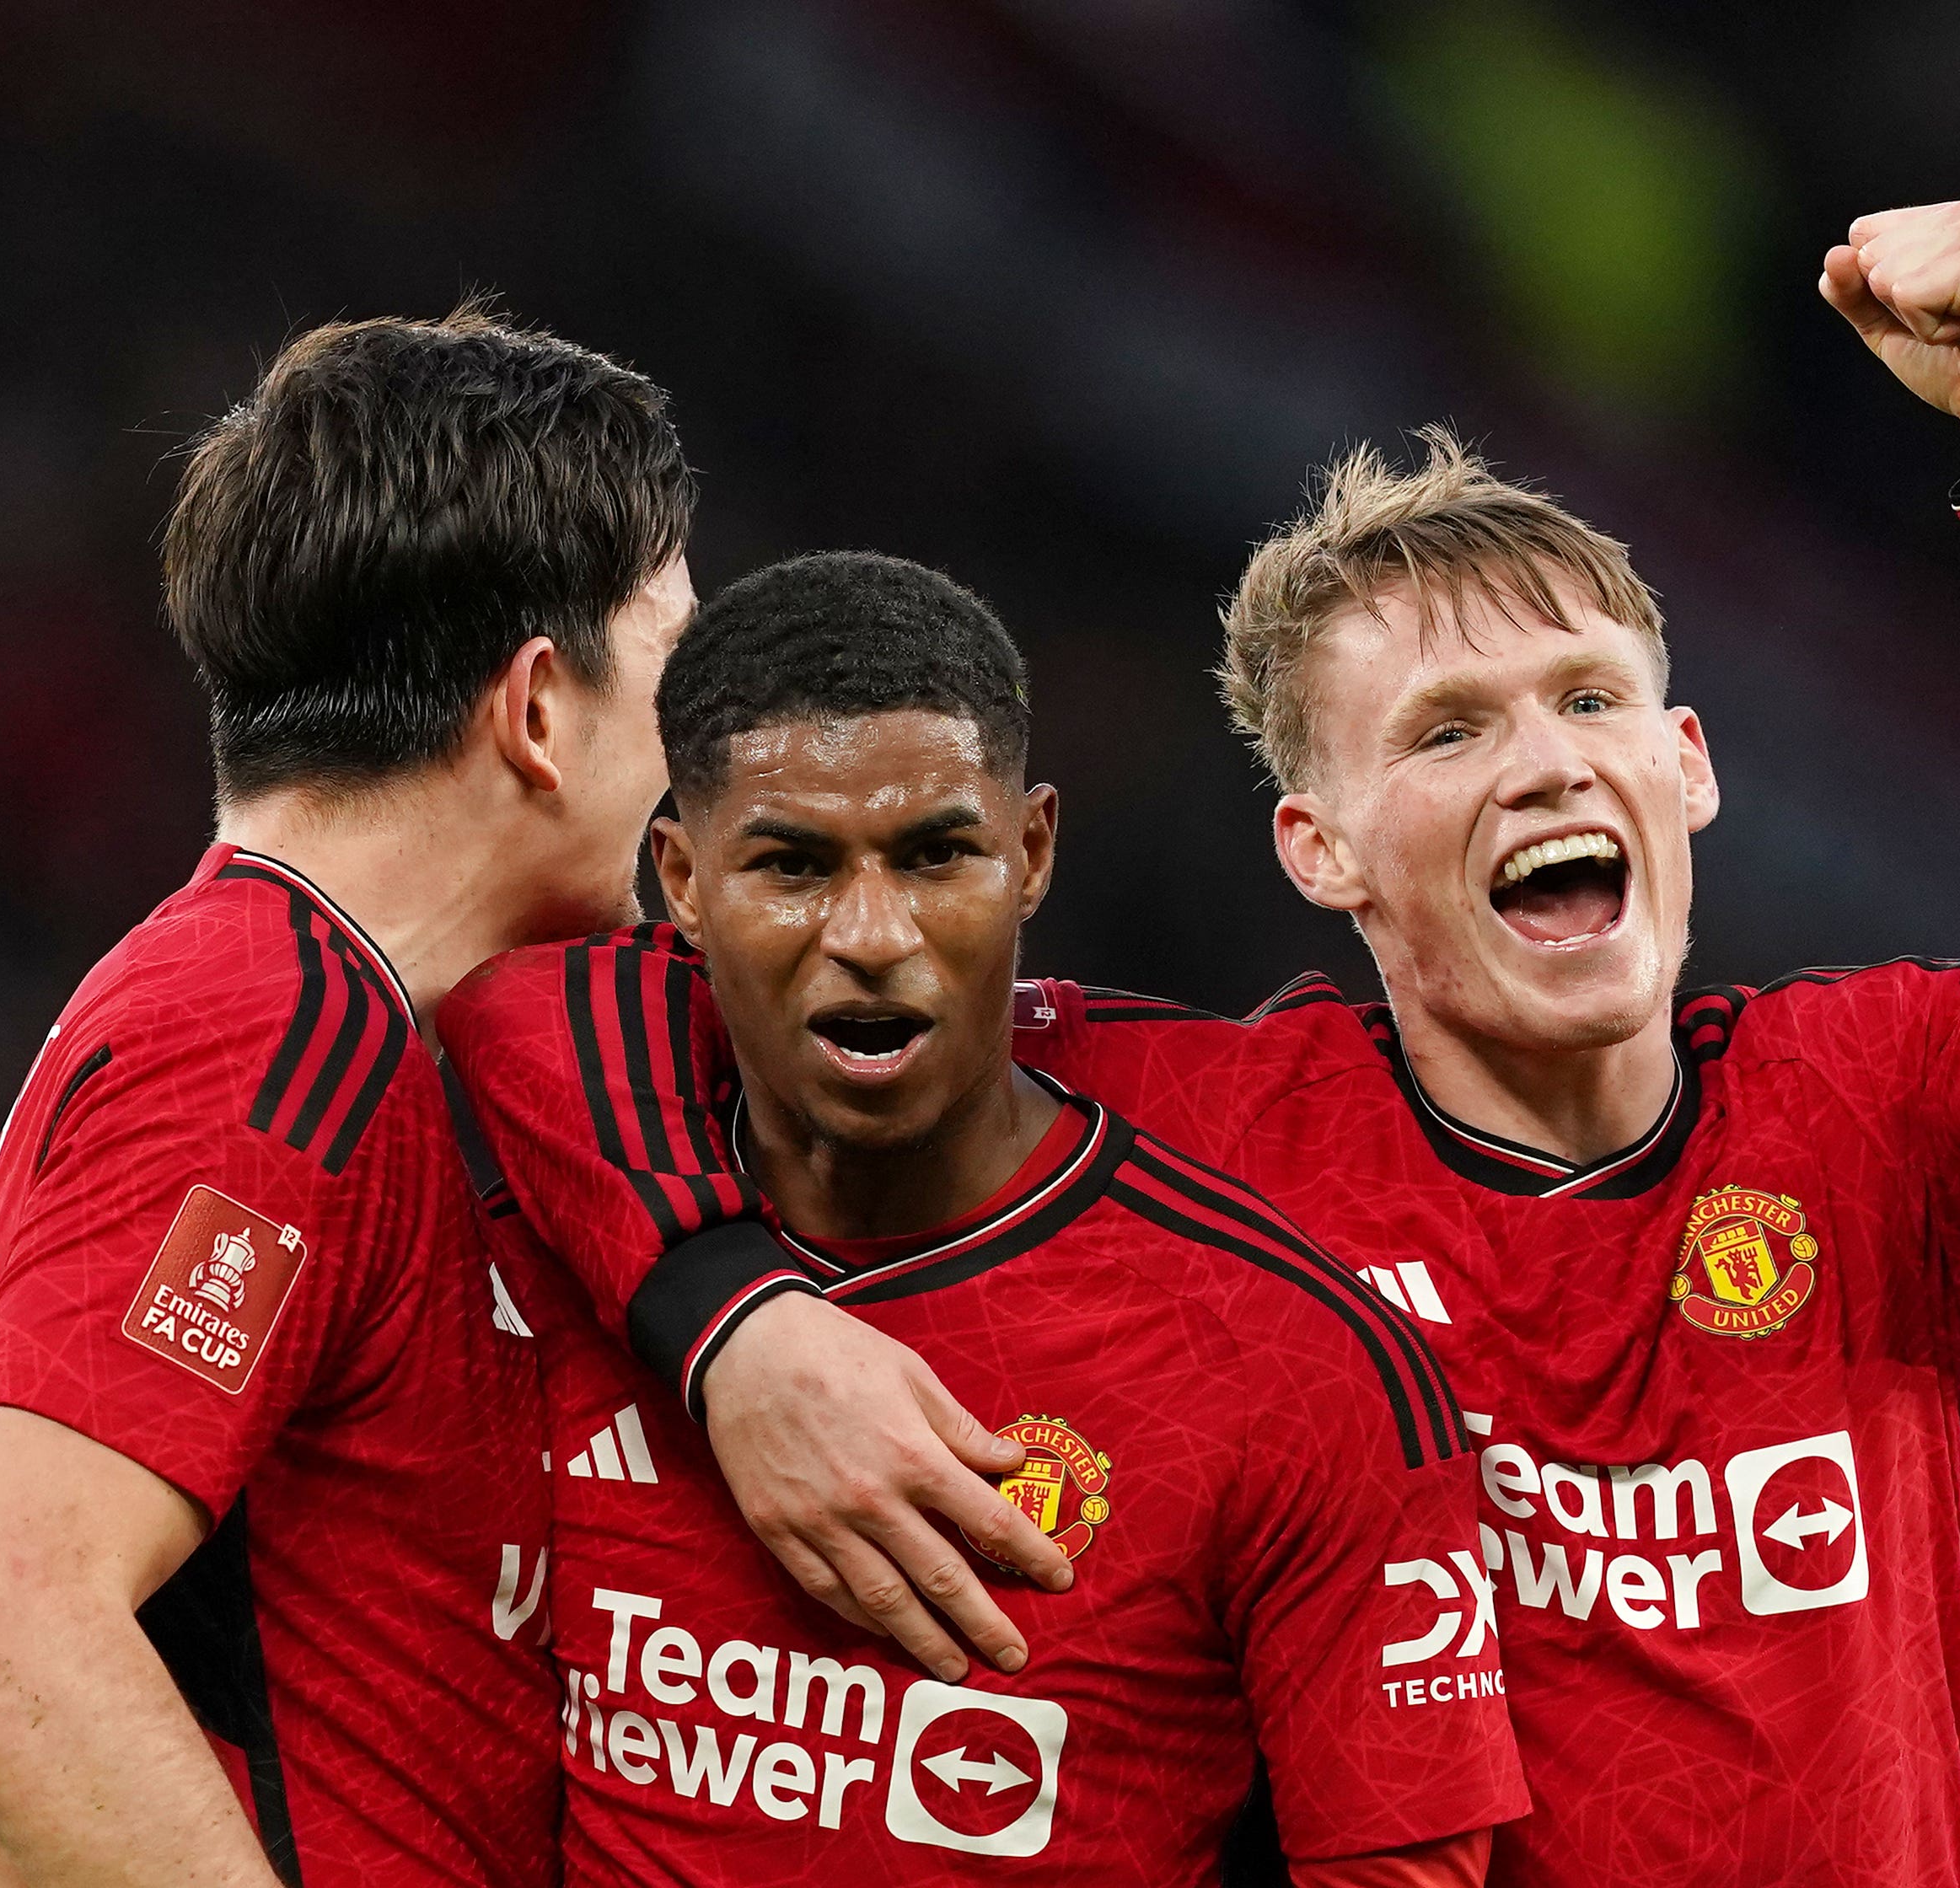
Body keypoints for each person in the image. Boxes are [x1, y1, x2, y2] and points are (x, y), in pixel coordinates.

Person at [562, 198, 1960, 1885]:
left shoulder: (1886, 1115)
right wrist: (727, 1317)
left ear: (1688, 765)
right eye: (1447, 730)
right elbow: (632, 1008)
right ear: (1319, 849)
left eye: (1588, 700)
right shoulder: (1180, 1130)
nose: (1547, 762)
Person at [436, 552, 1526, 1885]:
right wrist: (732, 1325)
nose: (873, 932)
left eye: (938, 853)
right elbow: (513, 1002)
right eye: (789, 865)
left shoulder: (1299, 1370)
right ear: (679, 877)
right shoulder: (555, 1248)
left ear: (1033, 853)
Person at [0, 306, 722, 1886]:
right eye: (677, 659)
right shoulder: (265, 1032)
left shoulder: (325, 1020)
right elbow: (3, 1637)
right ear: (540, 708)